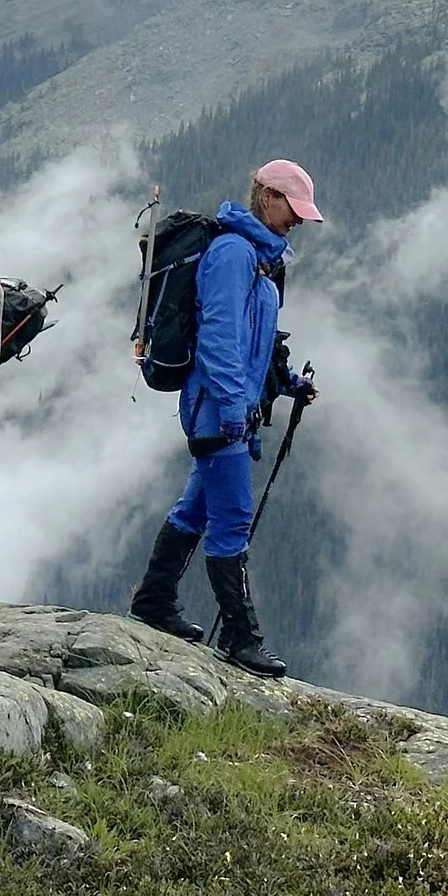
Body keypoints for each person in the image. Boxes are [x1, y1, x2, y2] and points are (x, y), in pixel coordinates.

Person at [128, 158, 323, 677]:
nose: (297, 220)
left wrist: (288, 383)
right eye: (292, 208)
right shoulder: (234, 253)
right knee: (233, 519)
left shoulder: (259, 258)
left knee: (195, 509)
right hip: (216, 411)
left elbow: (255, 343)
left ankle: (153, 600)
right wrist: (235, 409)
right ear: (267, 196)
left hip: (227, 408)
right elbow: (219, 338)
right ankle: (240, 638)